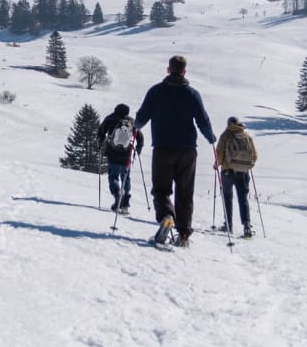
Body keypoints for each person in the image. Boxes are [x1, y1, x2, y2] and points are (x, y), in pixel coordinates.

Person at [135, 55, 216, 247]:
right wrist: (211, 137)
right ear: (184, 71)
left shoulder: (156, 91)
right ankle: (184, 235)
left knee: (161, 189)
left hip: (163, 147)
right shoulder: (192, 94)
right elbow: (202, 119)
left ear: (168, 69)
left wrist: (136, 127)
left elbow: (142, 116)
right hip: (187, 149)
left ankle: (166, 216)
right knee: (185, 192)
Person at [214, 116, 258, 238]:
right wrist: (247, 166)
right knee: (243, 199)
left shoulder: (226, 135)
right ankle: (247, 226)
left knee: (228, 197)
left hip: (228, 171)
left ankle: (228, 225)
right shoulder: (246, 135)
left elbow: (219, 153)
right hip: (243, 173)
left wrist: (216, 165)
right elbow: (254, 155)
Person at [97, 103, 144, 214]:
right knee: (125, 177)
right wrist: (139, 148)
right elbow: (139, 136)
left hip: (112, 153)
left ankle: (117, 195)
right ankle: (125, 202)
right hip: (126, 154)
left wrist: (100, 144)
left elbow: (101, 132)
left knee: (113, 176)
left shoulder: (110, 118)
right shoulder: (131, 121)